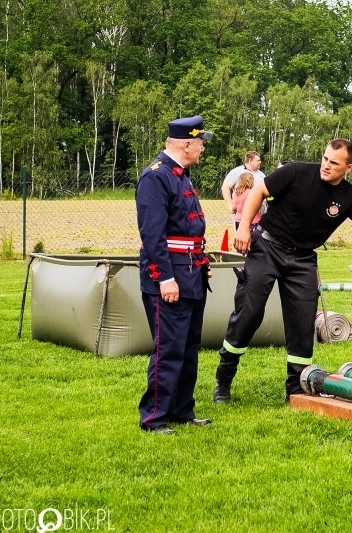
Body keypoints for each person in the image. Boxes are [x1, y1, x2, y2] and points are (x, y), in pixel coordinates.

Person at [213, 139, 352, 403]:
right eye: (325, 158)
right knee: (249, 313)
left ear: (349, 167)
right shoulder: (296, 172)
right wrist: (244, 228)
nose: (326, 166)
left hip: (303, 260)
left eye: (334, 163)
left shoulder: (349, 197)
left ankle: (295, 389)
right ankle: (223, 380)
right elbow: (259, 190)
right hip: (268, 246)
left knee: (303, 324)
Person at [135, 115, 214, 435]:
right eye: (200, 143)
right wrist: (164, 278)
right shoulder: (156, 177)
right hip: (171, 275)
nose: (203, 148)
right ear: (185, 144)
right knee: (168, 347)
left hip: (192, 271)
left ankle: (182, 410)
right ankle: (154, 417)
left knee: (188, 345)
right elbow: (152, 236)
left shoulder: (179, 174)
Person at [222, 151, 266, 225]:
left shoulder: (261, 175)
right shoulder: (237, 171)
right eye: (258, 160)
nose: (260, 162)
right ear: (250, 161)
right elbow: (225, 187)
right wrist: (230, 205)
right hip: (241, 214)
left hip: (258, 214)